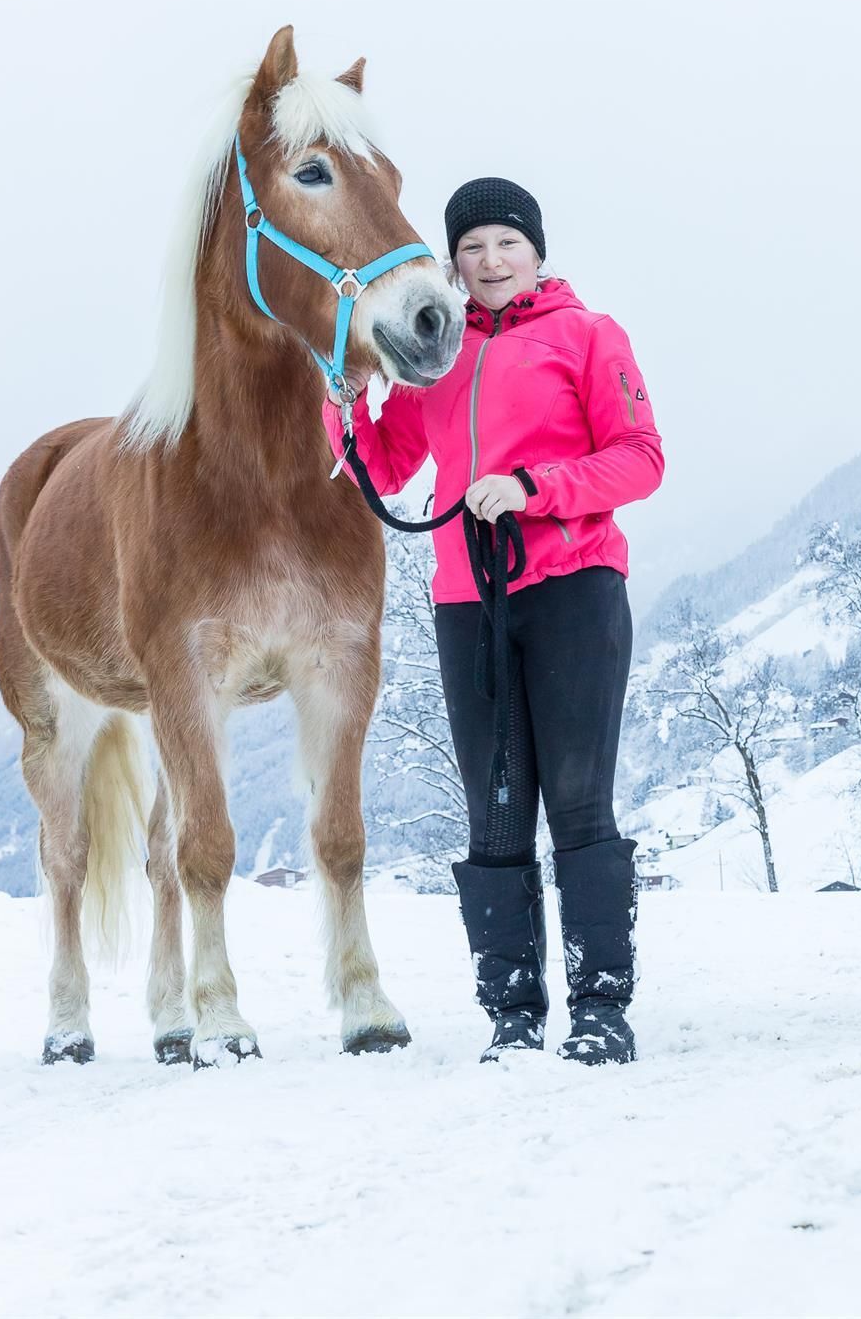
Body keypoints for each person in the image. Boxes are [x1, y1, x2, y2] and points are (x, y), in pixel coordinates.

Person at [325, 178, 664, 1061]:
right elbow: (385, 469)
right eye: (471, 247)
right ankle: (512, 1016)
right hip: (467, 601)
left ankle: (601, 1009)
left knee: (580, 806)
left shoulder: (588, 336)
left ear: (537, 252)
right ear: (452, 264)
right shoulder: (435, 356)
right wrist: (343, 399)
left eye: (507, 243)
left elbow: (640, 459)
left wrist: (531, 488)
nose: (490, 260)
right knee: (496, 815)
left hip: (575, 589)